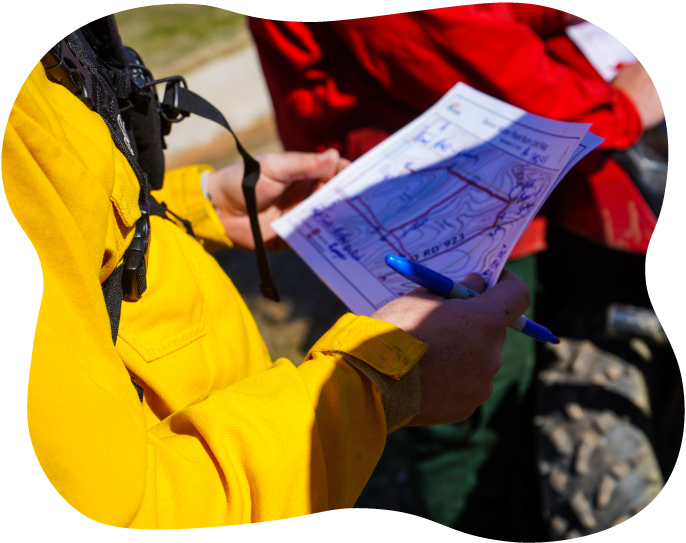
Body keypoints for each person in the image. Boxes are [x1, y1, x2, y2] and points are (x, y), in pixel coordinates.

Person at [2, 16, 531, 528]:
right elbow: (126, 515)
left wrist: (195, 206)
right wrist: (380, 383)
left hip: (235, 426)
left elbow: (74, 226)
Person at [248, 4, 671, 538]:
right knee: (462, 404)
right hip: (432, 205)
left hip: (428, 187)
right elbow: (483, 60)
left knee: (467, 385)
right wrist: (625, 106)